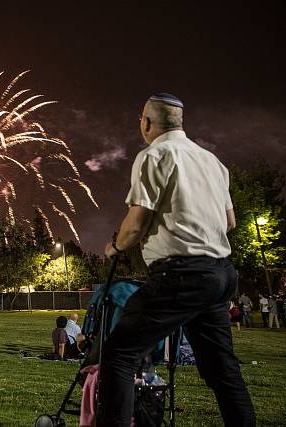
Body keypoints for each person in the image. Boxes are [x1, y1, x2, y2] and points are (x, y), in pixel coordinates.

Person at [100, 93, 255, 426]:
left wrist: (115, 245)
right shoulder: (213, 161)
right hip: (220, 274)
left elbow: (136, 224)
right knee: (222, 369)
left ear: (146, 123)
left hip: (182, 274)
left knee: (119, 354)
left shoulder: (154, 155)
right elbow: (230, 222)